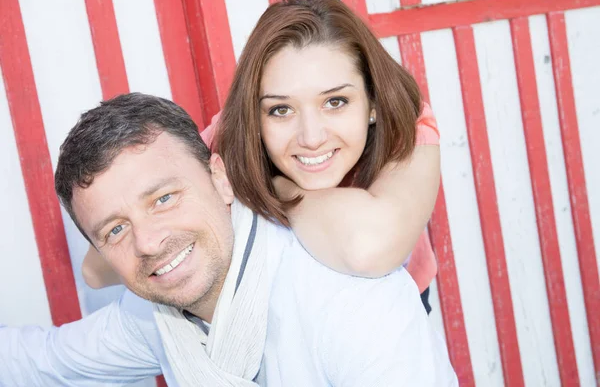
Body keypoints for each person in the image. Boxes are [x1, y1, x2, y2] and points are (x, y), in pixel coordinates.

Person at [0, 93, 457, 386]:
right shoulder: (155, 316)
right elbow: (43, 361)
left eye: (163, 198)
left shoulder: (347, 301)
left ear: (221, 180)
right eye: (115, 229)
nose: (149, 242)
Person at [83, 0, 441, 314]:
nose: (312, 137)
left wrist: (276, 189)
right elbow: (96, 269)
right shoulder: (233, 136)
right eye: (281, 110)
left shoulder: (405, 120)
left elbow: (368, 247)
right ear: (254, 116)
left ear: (373, 103)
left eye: (335, 102)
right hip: (287, 316)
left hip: (398, 304)